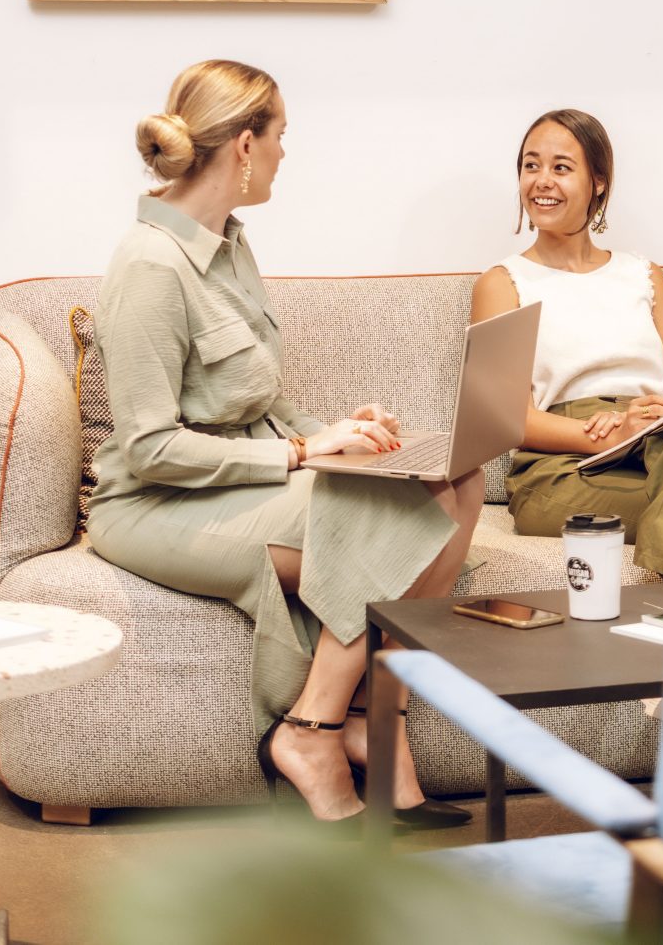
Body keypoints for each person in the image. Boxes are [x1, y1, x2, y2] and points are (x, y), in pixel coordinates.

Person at [88, 61, 477, 828]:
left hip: (236, 479)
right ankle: (312, 729)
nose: (284, 153)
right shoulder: (149, 264)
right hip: (154, 505)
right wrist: (300, 456)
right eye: (280, 136)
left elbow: (253, 395)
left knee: (459, 480)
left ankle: (367, 716)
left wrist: (339, 431)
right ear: (242, 145)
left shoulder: (229, 245)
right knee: (392, 516)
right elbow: (149, 450)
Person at [468, 108, 663, 582]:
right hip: (563, 468)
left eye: (561, 168)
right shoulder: (504, 283)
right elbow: (510, 421)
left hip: (656, 447)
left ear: (599, 182)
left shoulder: (643, 275)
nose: (542, 181)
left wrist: (655, 421)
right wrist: (610, 432)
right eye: (531, 165)